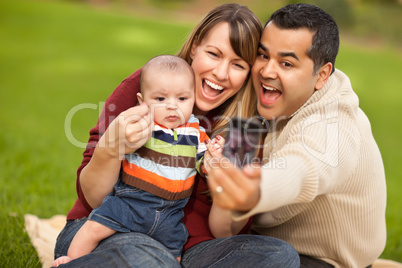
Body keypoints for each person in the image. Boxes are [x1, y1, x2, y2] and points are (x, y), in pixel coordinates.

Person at [54, 3, 299, 267]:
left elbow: (223, 233)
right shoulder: (151, 86)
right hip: (113, 229)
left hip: (186, 249)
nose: (221, 73)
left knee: (279, 257)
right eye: (214, 54)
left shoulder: (243, 128)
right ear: (195, 46)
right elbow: (91, 198)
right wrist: (112, 148)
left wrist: (222, 187)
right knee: (148, 260)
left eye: (238, 65)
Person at [207, 3, 387, 268]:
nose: (267, 71)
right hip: (258, 244)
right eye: (263, 55)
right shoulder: (257, 102)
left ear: (322, 75)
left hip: (321, 260)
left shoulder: (334, 123)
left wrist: (256, 190)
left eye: (287, 63)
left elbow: (303, 166)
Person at [53, 55, 214, 266]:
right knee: (94, 227)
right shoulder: (143, 125)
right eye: (160, 99)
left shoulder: (196, 133)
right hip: (131, 203)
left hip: (170, 213)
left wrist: (212, 160)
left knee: (174, 251)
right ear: (142, 101)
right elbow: (120, 143)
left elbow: (204, 159)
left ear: (192, 99)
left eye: (182, 99)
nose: (172, 107)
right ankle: (71, 260)